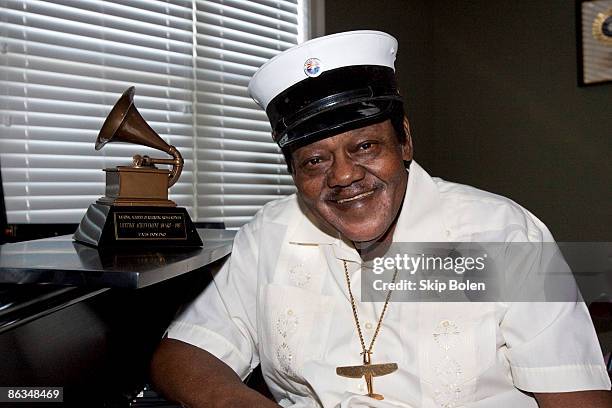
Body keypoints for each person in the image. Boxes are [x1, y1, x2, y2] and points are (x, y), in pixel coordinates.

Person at [150, 31, 611, 407]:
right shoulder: (269, 235)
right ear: (293, 171)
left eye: (365, 146)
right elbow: (182, 355)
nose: (344, 176)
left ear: (404, 141)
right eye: (315, 160)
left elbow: (578, 399)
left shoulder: (504, 235)